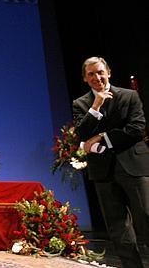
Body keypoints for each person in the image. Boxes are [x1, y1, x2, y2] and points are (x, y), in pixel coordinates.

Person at [72, 56, 149, 268]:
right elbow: (82, 133)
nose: (97, 77)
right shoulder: (81, 104)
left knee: (146, 217)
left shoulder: (129, 95)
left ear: (109, 73)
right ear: (85, 79)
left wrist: (102, 138)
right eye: (91, 74)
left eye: (100, 72)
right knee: (118, 227)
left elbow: (136, 129)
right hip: (103, 171)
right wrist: (95, 106)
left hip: (134, 167)